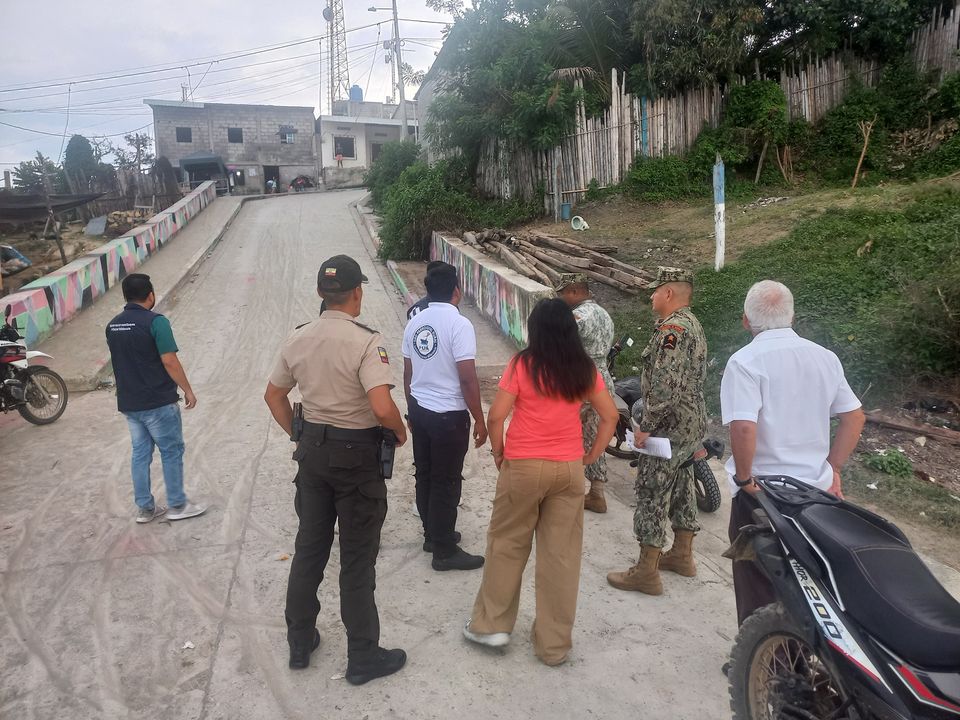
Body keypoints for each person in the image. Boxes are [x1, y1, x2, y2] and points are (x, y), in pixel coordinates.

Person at [263, 254, 409, 684]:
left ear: (320, 293)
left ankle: (300, 641)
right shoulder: (366, 341)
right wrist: (399, 431)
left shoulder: (298, 337)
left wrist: (300, 438)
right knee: (357, 560)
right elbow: (381, 406)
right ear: (357, 293)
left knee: (309, 549)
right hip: (357, 458)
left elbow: (273, 396)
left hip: (312, 454)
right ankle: (362, 657)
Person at [464, 298, 618, 666]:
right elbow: (610, 416)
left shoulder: (523, 364)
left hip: (524, 465)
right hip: (568, 470)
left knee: (507, 543)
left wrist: (499, 453)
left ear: (535, 329)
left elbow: (497, 416)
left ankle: (492, 626)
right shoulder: (583, 369)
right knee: (561, 557)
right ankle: (553, 646)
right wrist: (590, 456)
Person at [720, 280, 865, 626]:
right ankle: (802, 649)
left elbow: (744, 427)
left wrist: (745, 478)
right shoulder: (825, 357)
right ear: (792, 317)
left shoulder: (744, 361)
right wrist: (833, 468)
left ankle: (762, 653)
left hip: (764, 493)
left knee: (758, 582)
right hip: (815, 493)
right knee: (808, 581)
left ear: (746, 321)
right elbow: (854, 417)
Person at [607, 267, 706, 596]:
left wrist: (645, 428)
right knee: (682, 483)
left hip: (669, 427)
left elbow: (664, 388)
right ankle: (682, 555)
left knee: (652, 491)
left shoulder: (672, 330)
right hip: (689, 424)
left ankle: (646, 572)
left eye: (655, 290)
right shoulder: (692, 323)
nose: (651, 295)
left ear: (669, 293)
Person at [403, 265, 487, 571]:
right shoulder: (459, 324)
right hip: (448, 416)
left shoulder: (415, 321)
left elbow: (408, 372)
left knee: (425, 474)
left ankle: (433, 534)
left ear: (427, 290)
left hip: (421, 411)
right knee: (447, 480)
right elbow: (467, 378)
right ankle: (444, 551)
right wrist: (479, 418)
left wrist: (411, 409)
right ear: (456, 291)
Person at [106, 273, 207, 524]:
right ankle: (177, 504)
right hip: (158, 402)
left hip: (130, 403)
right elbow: (169, 360)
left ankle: (145, 508)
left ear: (126, 296)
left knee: (140, 454)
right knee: (171, 451)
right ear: (150, 295)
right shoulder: (156, 322)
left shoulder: (113, 326)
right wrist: (187, 389)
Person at [556, 273, 615, 513]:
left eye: (562, 293)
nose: (560, 299)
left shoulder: (577, 317)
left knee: (564, 433)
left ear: (574, 292)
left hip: (579, 381)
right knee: (596, 436)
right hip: (602, 379)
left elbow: (560, 348)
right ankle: (597, 493)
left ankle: (563, 487)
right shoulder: (604, 314)